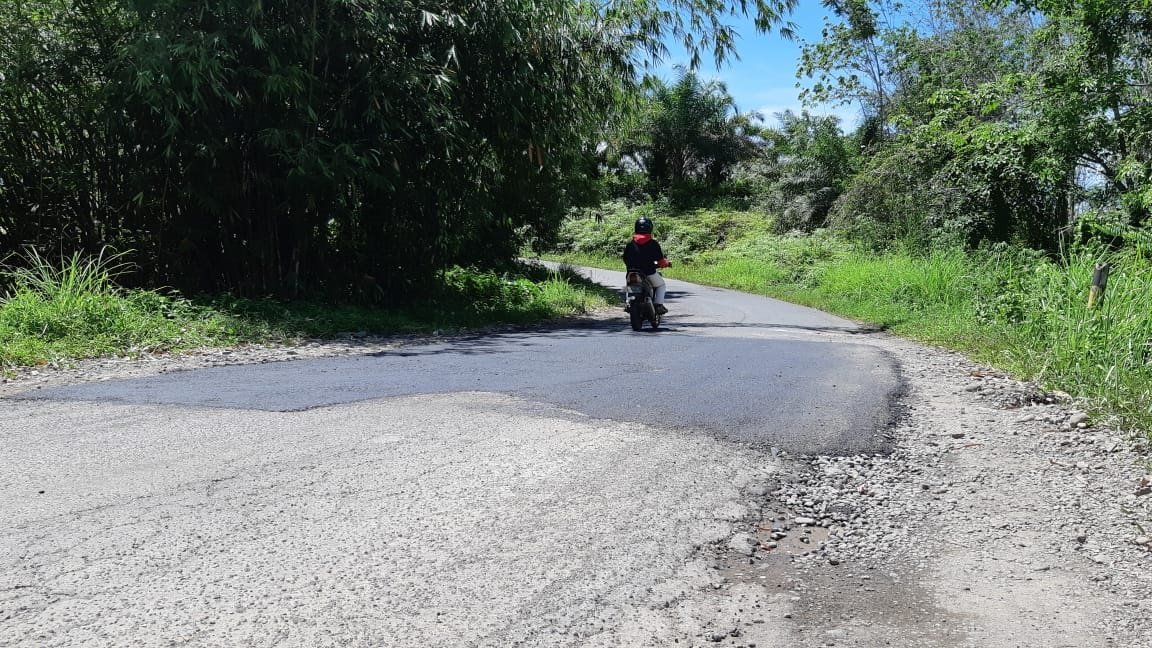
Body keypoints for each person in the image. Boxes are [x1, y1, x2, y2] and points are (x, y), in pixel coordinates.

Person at [622, 216, 671, 314]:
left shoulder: (630, 244)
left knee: (629, 286)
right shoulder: (653, 244)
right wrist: (666, 263)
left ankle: (628, 302)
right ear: (650, 228)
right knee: (661, 285)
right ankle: (658, 305)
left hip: (632, 272)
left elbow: (625, 258)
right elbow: (661, 261)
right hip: (649, 272)